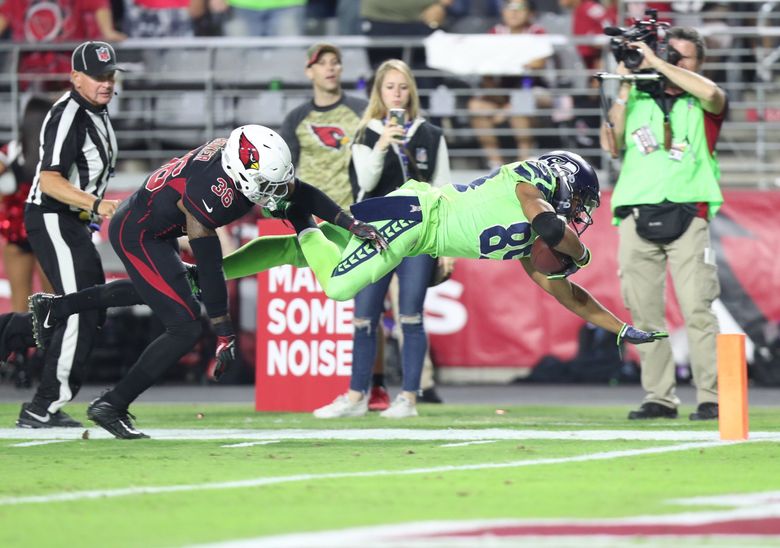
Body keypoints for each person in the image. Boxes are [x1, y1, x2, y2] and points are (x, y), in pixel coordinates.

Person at [26, 124, 384, 437]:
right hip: (138, 232)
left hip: (155, 224)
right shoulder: (211, 193)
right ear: (242, 176)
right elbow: (211, 266)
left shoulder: (238, 161)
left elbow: (299, 192)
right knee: (184, 325)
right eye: (268, 185)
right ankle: (112, 405)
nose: (278, 191)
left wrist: (349, 223)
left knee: (164, 291)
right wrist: (224, 331)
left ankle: (57, 307)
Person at [218, 151, 669, 397]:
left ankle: (207, 272)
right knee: (339, 285)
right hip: (414, 215)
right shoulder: (530, 182)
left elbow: (566, 294)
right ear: (566, 181)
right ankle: (299, 215)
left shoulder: (530, 247)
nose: (581, 214)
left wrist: (621, 327)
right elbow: (549, 223)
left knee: (299, 256)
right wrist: (583, 254)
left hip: (413, 227)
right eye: (582, 203)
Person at [311, 58, 451, 419]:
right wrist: (383, 144)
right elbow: (367, 182)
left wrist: (447, 248)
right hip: (373, 235)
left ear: (411, 92)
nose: (397, 94)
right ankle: (356, 396)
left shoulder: (431, 135)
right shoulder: (366, 133)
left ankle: (408, 398)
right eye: (390, 87)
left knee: (411, 317)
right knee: (363, 317)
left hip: (418, 235)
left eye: (403, 87)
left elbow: (444, 191)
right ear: (379, 92)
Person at [599, 27, 726, 421]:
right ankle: (659, 397)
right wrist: (624, 83)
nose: (672, 61)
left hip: (690, 213)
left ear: (698, 64)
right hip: (637, 214)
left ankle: (712, 397)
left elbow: (712, 95)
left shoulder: (701, 99)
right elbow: (611, 143)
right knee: (643, 313)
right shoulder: (635, 95)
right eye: (668, 53)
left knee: (697, 308)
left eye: (681, 57)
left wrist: (656, 63)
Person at [16, 41, 124, 430]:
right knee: (81, 307)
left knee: (86, 309)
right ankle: (42, 406)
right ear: (75, 77)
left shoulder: (96, 112)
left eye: (110, 75)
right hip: (52, 216)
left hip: (71, 222)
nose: (106, 83)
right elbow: (48, 180)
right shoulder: (68, 113)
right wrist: (96, 205)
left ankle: (12, 343)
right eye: (97, 76)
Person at [279, 42, 368, 209]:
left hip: (355, 212)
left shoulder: (363, 111)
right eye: (322, 63)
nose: (330, 68)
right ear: (309, 72)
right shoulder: (296, 118)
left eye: (335, 62)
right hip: (311, 214)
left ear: (341, 69)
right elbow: (284, 170)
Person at [467, 0, 550, 167]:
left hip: (532, 89)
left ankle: (523, 163)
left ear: (530, 13)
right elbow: (486, 69)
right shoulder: (495, 33)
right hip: (500, 92)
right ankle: (495, 164)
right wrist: (498, 96)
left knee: (519, 105)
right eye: (509, 8)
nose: (514, 12)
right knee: (476, 106)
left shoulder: (537, 32)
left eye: (519, 8)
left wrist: (507, 108)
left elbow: (537, 65)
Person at [0, 97, 55, 313]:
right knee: (51, 303)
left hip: (16, 230)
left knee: (19, 306)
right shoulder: (57, 153)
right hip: (47, 230)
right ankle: (51, 346)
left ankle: (20, 347)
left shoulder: (11, 150)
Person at [0, 1, 126, 92]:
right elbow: (4, 14)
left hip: (69, 77)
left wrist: (107, 30)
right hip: (33, 80)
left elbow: (98, 4)